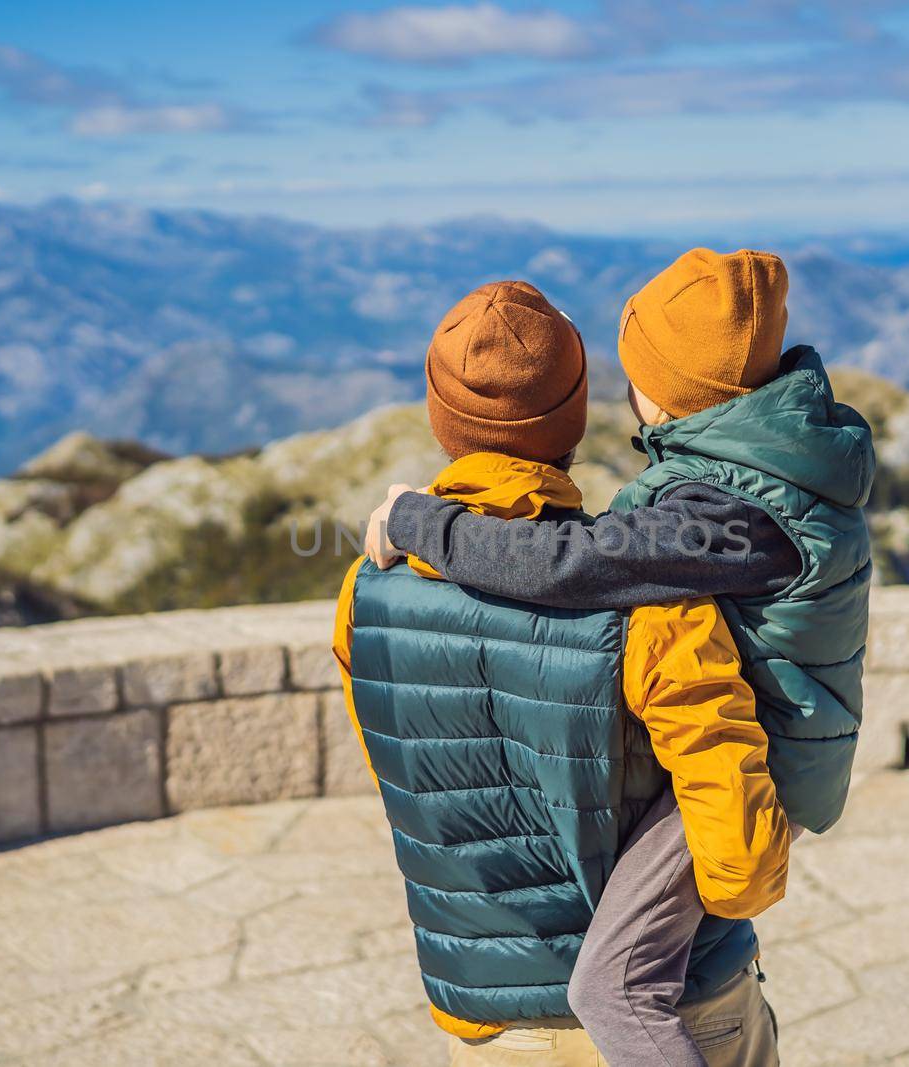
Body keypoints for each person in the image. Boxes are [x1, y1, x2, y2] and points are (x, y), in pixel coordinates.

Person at [368, 250, 877, 1062]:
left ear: (673, 392)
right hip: (749, 761)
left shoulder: (728, 518)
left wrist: (420, 525)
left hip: (763, 754)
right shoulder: (759, 471)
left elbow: (571, 563)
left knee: (611, 985)